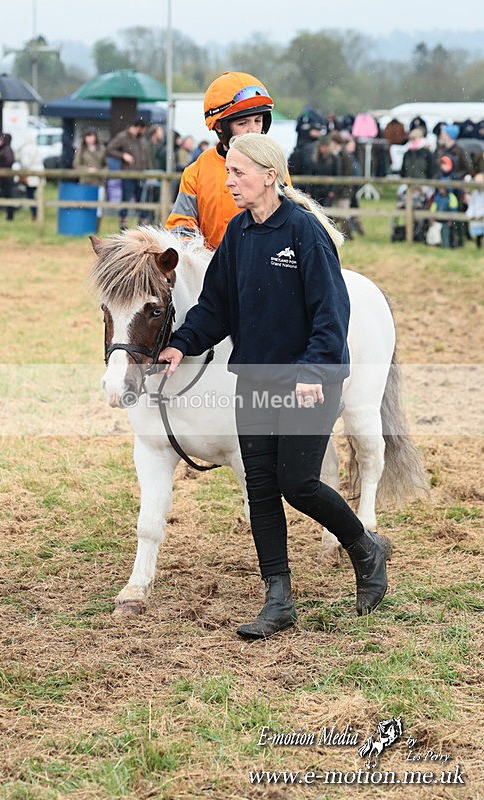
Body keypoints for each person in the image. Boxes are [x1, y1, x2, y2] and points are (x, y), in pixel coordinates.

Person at [159, 133, 391, 640]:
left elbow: (333, 312)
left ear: (269, 175)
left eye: (237, 173)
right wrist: (182, 342)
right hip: (255, 380)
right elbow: (216, 306)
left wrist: (314, 370)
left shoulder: (305, 232)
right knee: (261, 486)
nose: (228, 182)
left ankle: (365, 547)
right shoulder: (239, 234)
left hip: (311, 380)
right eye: (228, 173)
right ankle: (278, 598)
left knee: (298, 482)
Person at [165, 71, 275, 249]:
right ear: (219, 126)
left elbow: (290, 222)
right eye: (242, 123)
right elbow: (180, 227)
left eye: (258, 120)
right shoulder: (196, 171)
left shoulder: (275, 166)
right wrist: (201, 258)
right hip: (211, 268)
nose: (253, 130)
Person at [106, 117, 152, 230]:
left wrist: (150, 173)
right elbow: (109, 149)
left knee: (142, 199)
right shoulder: (122, 137)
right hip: (128, 174)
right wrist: (123, 155)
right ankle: (123, 224)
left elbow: (147, 158)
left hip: (142, 175)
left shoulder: (142, 139)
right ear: (139, 128)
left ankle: (142, 225)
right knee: (126, 199)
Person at [73, 127, 106, 231]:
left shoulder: (102, 149)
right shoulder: (81, 149)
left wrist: (101, 172)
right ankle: (84, 227)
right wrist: (87, 169)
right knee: (84, 206)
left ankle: (96, 228)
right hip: (85, 182)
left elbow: (106, 165)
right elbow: (76, 165)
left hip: (98, 182)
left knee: (98, 208)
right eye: (88, 136)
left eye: (92, 136)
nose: (90, 139)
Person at [17, 131, 43, 221]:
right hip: (39, 174)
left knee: (30, 195)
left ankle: (35, 213)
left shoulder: (25, 149)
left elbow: (25, 163)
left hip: (31, 175)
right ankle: (37, 212)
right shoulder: (35, 147)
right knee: (37, 194)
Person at [0, 133, 16, 221]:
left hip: (6, 177)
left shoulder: (6, 150)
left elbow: (5, 162)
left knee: (8, 196)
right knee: (8, 195)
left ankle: (10, 216)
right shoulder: (7, 149)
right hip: (6, 177)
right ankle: (9, 215)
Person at [465, 172, 484, 248]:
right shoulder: (475, 192)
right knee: (478, 231)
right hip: (476, 213)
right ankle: (478, 243)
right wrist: (470, 213)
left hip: (482, 212)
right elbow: (472, 204)